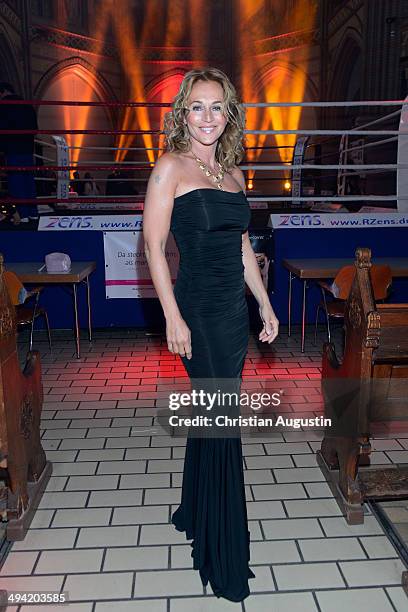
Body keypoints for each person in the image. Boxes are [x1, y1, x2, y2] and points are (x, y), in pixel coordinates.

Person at [143, 67, 279, 602]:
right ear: (183, 112)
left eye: (216, 107)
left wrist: (264, 301)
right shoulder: (169, 169)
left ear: (229, 115)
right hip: (197, 311)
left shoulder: (233, 173)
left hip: (232, 314)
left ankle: (197, 510)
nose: (207, 116)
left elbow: (241, 245)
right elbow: (154, 248)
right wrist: (173, 317)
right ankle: (224, 557)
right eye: (197, 106)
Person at [0, 82, 38, 223]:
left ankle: (23, 216)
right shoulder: (27, 105)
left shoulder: (4, 107)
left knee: (16, 182)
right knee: (28, 180)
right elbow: (34, 128)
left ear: (2, 92)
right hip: (27, 148)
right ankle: (33, 213)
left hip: (12, 149)